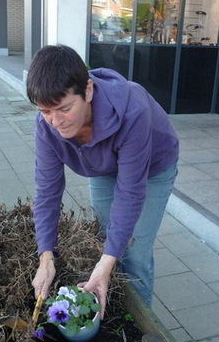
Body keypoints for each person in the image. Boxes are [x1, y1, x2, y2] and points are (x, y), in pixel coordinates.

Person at [27, 45, 179, 317]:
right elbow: (47, 192)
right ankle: (106, 299)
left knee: (133, 251)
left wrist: (107, 262)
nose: (56, 122)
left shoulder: (133, 110)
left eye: (64, 108)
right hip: (104, 167)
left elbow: (130, 193)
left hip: (152, 168)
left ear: (87, 90)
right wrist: (46, 255)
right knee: (104, 239)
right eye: (45, 111)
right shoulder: (46, 126)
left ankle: (141, 328)